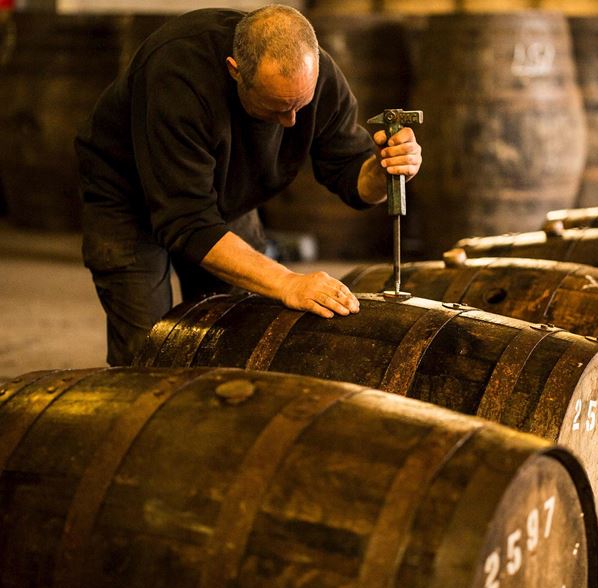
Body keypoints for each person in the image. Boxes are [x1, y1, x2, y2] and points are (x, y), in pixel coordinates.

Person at [75, 5, 422, 366]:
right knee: (148, 351)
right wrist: (288, 282)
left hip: (223, 196)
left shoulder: (318, 77)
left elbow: (350, 174)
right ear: (235, 71)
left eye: (299, 106)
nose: (290, 122)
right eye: (276, 108)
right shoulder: (178, 76)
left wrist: (383, 170)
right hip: (128, 196)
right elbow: (186, 222)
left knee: (235, 337)